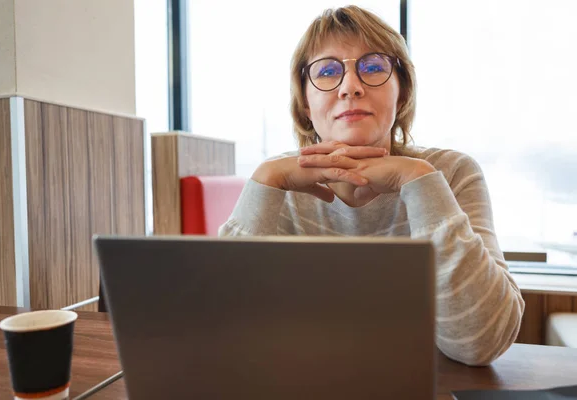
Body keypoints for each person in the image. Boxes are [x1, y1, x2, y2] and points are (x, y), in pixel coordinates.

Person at [219, 5, 525, 366]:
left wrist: (417, 180)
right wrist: (265, 181)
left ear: (403, 94)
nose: (351, 86)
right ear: (304, 104)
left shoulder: (450, 172)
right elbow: (220, 335)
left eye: (374, 67)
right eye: (328, 71)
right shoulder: (277, 185)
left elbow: (480, 343)